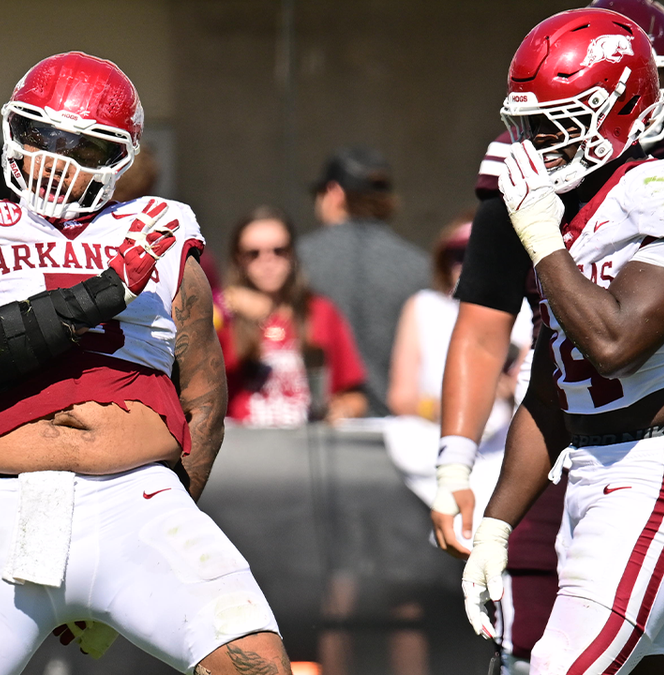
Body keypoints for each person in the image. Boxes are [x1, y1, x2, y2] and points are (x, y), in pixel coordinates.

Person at [0, 51, 290, 674]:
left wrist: (175, 515)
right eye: (40, 135)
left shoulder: (159, 227)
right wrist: (103, 293)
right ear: (11, 130)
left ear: (120, 159)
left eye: (87, 148)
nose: (56, 161)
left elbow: (204, 398)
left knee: (257, 667)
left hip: (139, 497)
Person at [436, 2, 664, 671]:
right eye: (523, 125)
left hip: (660, 470)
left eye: (551, 126)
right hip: (591, 470)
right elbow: (554, 391)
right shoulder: (570, 211)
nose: (532, 146)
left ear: (614, 114)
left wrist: (544, 243)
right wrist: (496, 524)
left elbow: (616, 343)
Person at [385, 218, 529, 509]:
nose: (469, 264)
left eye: (481, 253)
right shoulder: (424, 306)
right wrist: (447, 408)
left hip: (502, 450)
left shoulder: (526, 311)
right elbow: (400, 398)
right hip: (433, 445)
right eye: (459, 254)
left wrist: (507, 388)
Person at [298, 147, 429, 416]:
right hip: (400, 436)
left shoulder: (297, 262)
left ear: (334, 193)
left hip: (321, 431)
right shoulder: (420, 266)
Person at [219, 205, 367, 426]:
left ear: (293, 254)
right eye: (253, 254)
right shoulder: (223, 317)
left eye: (279, 251)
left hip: (307, 446)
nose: (267, 261)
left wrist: (343, 410)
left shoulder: (322, 312)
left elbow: (355, 395)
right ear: (239, 259)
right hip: (243, 448)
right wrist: (223, 304)